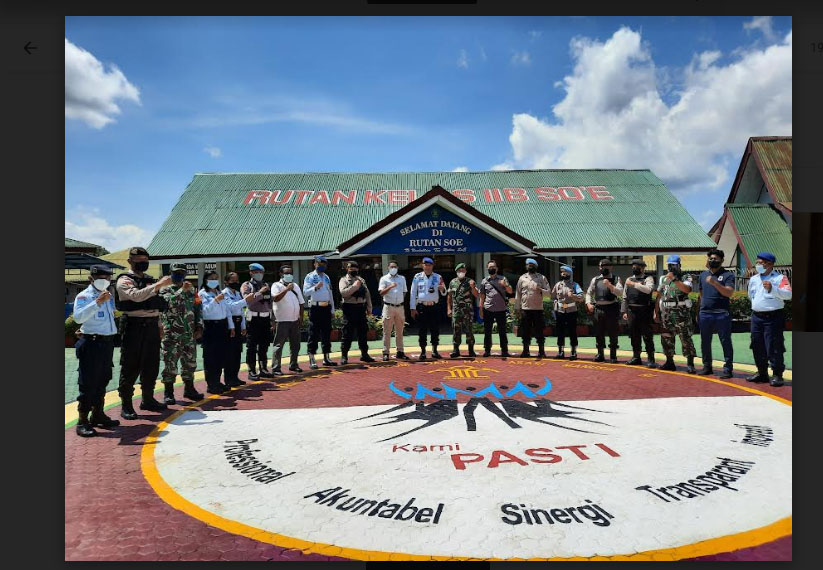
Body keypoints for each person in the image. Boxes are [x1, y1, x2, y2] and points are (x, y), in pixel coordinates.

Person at [115, 246, 172, 419]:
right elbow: (137, 296)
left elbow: (157, 305)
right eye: (139, 261)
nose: (143, 264)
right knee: (130, 366)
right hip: (134, 326)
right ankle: (126, 404)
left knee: (151, 364)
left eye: (145, 261)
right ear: (130, 261)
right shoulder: (124, 280)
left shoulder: (149, 279)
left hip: (152, 325)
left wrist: (160, 324)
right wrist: (158, 285)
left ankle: (148, 399)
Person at [72, 265, 120, 436]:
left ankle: (98, 415)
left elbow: (111, 316)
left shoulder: (108, 294)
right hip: (91, 343)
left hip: (106, 344)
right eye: (101, 277)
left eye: (107, 277)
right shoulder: (85, 296)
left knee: (103, 379)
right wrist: (97, 302)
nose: (105, 280)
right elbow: (78, 318)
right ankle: (82, 420)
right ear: (91, 278)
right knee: (88, 382)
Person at [158, 264, 204, 404]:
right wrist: (182, 292)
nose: (180, 276)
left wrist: (199, 326)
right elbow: (169, 304)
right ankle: (168, 393)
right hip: (171, 334)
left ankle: (189, 389)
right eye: (177, 273)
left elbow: (198, 308)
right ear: (171, 273)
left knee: (190, 363)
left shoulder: (191, 291)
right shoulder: (164, 290)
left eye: (182, 273)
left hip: (188, 334)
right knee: (170, 364)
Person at [746, 252, 792, 387]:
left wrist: (773, 289)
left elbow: (788, 295)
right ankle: (762, 373)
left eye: (761, 262)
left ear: (770, 264)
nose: (758, 265)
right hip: (756, 317)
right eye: (757, 262)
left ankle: (777, 375)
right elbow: (751, 296)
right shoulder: (754, 279)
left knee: (774, 346)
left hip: (772, 317)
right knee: (756, 345)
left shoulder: (780, 278)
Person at [696, 249, 735, 378]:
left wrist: (715, 283)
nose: (713, 260)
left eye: (716, 259)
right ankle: (707, 366)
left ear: (722, 260)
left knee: (725, 341)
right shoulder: (703, 275)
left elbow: (728, 293)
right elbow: (701, 294)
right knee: (705, 341)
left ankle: (728, 369)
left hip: (721, 314)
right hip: (705, 313)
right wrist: (699, 310)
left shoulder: (728, 275)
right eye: (711, 258)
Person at [655, 255, 697, 373]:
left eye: (674, 265)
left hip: (681, 313)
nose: (671, 268)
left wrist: (674, 279)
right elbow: (659, 295)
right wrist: (656, 312)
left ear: (679, 266)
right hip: (667, 313)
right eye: (669, 266)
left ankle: (690, 363)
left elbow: (687, 289)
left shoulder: (685, 277)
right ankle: (669, 361)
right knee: (666, 337)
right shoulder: (663, 278)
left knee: (685, 338)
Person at [199, 271, 235, 393]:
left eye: (216, 278)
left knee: (221, 356)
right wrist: (215, 301)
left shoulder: (220, 292)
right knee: (211, 357)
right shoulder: (203, 294)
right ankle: (211, 384)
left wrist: (231, 326)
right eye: (211, 278)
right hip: (210, 327)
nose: (214, 280)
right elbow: (205, 312)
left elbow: (227, 311)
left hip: (222, 326)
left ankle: (218, 382)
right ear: (205, 280)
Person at [585, 259, 624, 363]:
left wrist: (610, 285)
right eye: (601, 266)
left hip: (611, 308)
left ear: (611, 267)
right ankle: (600, 354)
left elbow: (620, 292)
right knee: (599, 332)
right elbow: (589, 293)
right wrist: (588, 303)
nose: (602, 268)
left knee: (613, 332)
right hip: (598, 309)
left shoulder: (616, 279)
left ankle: (613, 355)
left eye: (605, 266)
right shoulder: (595, 279)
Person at [302, 255, 337, 369]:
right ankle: (312, 358)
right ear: (315, 264)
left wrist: (332, 309)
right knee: (313, 333)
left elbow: (330, 294)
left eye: (323, 264)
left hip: (326, 307)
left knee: (326, 333)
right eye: (319, 264)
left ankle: (326, 358)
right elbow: (305, 292)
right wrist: (315, 287)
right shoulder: (310, 277)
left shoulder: (326, 277)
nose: (321, 266)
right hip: (315, 308)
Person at [621, 259, 658, 367]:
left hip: (644, 310)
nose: (634, 268)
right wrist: (624, 311)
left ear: (642, 268)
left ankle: (651, 359)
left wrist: (633, 284)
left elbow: (648, 290)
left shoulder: (648, 278)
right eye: (633, 266)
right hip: (632, 311)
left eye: (637, 266)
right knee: (634, 335)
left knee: (647, 335)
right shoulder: (629, 279)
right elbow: (624, 296)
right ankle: (636, 357)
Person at [338, 261, 376, 365]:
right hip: (349, 309)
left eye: (355, 268)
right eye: (351, 268)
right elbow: (343, 293)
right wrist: (354, 287)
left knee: (363, 333)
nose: (353, 270)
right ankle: (344, 356)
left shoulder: (361, 280)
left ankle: (364, 354)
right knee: (347, 334)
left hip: (361, 309)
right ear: (347, 269)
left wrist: (369, 308)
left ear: (358, 269)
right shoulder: (344, 280)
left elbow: (367, 294)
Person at [241, 263, 274, 380]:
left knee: (264, 345)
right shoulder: (247, 285)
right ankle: (251, 370)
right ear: (251, 273)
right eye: (256, 272)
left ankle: (263, 368)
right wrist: (260, 292)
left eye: (261, 272)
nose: (259, 275)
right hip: (253, 318)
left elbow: (270, 302)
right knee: (252, 346)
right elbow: (247, 301)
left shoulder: (265, 285)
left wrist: (272, 319)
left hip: (265, 318)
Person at [410, 257, 447, 360]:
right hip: (422, 306)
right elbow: (413, 293)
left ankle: (434, 351)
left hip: (434, 307)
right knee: (422, 330)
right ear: (422, 265)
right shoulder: (417, 277)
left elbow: (444, 292)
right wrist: (412, 308)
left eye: (429, 265)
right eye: (425, 265)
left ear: (432, 266)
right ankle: (423, 352)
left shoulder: (438, 277)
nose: (427, 267)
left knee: (435, 329)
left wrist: (442, 289)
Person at [271, 265, 306, 375]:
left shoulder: (295, 286)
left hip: (295, 320)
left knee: (295, 344)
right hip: (282, 320)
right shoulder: (276, 285)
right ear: (281, 274)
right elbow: (275, 298)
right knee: (278, 345)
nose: (289, 275)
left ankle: (293, 364)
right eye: (286, 273)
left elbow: (301, 302)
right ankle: (276, 368)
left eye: (290, 273)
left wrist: (301, 316)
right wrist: (286, 289)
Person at [514, 258, 551, 358]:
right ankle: (526, 350)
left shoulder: (542, 278)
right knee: (525, 331)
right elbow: (518, 294)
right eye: (528, 265)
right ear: (526, 267)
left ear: (536, 266)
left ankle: (541, 351)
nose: (530, 266)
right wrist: (517, 308)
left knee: (539, 331)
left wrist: (540, 289)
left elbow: (548, 294)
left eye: (532, 265)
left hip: (538, 309)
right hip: (526, 309)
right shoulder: (522, 278)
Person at [223, 272, 255, 386]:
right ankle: (229, 379)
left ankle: (235, 377)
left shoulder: (236, 293)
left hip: (238, 323)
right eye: (233, 281)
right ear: (226, 282)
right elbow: (231, 307)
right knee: (230, 353)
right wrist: (246, 300)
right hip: (230, 324)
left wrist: (243, 326)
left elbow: (240, 310)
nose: (236, 283)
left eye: (237, 280)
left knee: (237, 352)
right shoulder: (225, 293)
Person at [479, 259, 513, 357]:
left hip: (501, 309)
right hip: (488, 309)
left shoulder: (503, 279)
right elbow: (482, 296)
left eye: (493, 267)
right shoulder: (484, 281)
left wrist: (505, 285)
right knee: (487, 331)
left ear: (497, 268)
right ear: (487, 269)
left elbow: (510, 291)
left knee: (502, 331)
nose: (492, 269)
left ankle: (505, 350)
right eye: (490, 268)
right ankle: (487, 350)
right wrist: (481, 309)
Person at [378, 260, 409, 361]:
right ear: (388, 268)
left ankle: (400, 351)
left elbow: (404, 291)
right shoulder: (384, 279)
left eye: (395, 267)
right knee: (387, 331)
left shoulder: (402, 278)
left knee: (399, 331)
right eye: (391, 267)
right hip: (388, 307)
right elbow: (381, 293)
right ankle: (386, 352)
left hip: (399, 307)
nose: (393, 268)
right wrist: (390, 287)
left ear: (397, 268)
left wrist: (400, 300)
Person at [551, 265, 584, 360]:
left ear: (570, 274)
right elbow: (553, 296)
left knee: (572, 331)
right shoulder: (558, 285)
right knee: (560, 332)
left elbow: (581, 298)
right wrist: (555, 303)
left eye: (565, 272)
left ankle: (573, 352)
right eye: (562, 272)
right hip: (560, 311)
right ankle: (560, 351)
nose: (563, 274)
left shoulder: (575, 285)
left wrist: (573, 296)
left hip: (571, 311)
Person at [447, 263, 479, 358]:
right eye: (460, 271)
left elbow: (476, 295)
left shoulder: (470, 281)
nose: (461, 272)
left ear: (465, 271)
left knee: (469, 330)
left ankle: (471, 350)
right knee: (456, 330)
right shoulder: (452, 282)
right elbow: (449, 297)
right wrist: (449, 309)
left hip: (467, 311)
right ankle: (456, 350)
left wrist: (473, 287)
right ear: (456, 271)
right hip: (456, 311)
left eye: (463, 270)